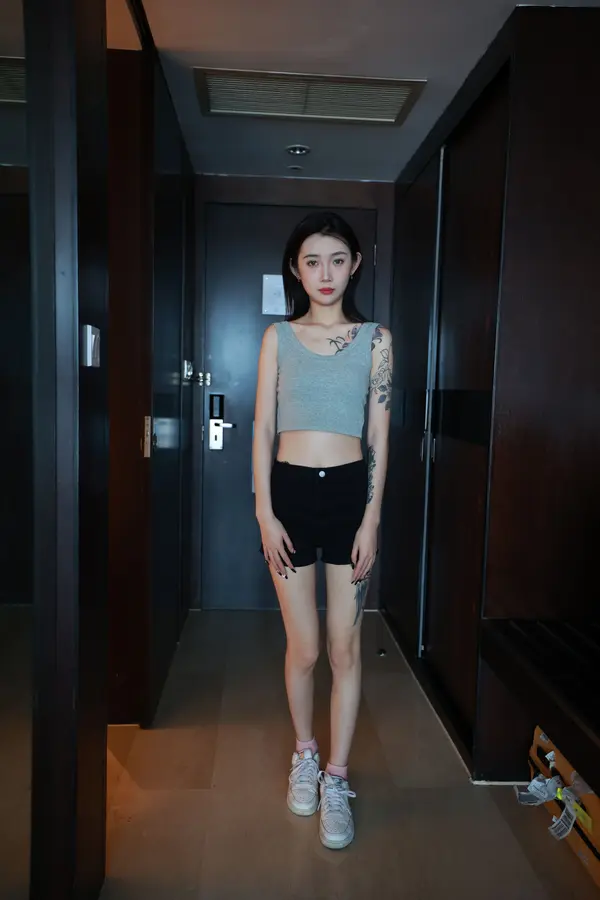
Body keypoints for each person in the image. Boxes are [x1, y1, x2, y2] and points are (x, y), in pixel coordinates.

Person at [252, 211, 392, 850]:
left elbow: (379, 435)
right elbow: (262, 427)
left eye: (337, 259)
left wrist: (372, 519)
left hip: (348, 499)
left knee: (345, 648)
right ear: (296, 269)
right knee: (305, 649)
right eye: (312, 261)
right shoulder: (278, 337)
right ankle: (304, 754)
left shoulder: (375, 339)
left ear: (355, 264)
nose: (325, 273)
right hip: (287, 497)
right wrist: (264, 512)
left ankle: (336, 776)